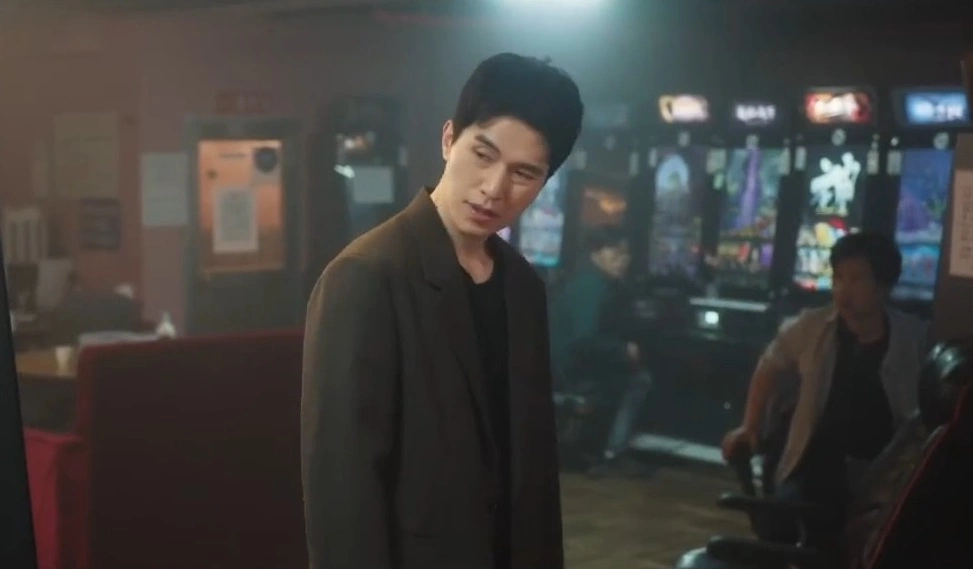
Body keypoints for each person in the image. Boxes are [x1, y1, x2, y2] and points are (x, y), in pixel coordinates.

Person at [301, 53, 583, 569]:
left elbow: (536, 471)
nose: (494, 188)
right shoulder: (367, 276)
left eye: (524, 173)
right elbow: (343, 490)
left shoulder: (523, 287)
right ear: (449, 139)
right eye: (483, 154)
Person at [721, 232, 929, 547]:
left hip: (880, 473)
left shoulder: (911, 338)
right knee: (798, 518)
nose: (844, 291)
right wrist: (750, 425)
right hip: (813, 467)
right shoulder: (813, 327)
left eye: (856, 279)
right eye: (838, 278)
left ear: (883, 285)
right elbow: (769, 365)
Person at [549, 226, 652, 476]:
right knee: (639, 379)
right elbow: (584, 338)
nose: (623, 260)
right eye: (616, 253)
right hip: (567, 370)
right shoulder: (592, 286)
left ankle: (599, 448)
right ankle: (613, 453)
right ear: (595, 254)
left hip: (565, 363)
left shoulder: (591, 280)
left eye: (626, 254)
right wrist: (623, 350)